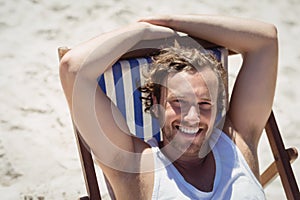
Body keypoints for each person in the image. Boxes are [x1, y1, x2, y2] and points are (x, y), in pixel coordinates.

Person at [59, 15, 278, 199]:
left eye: (204, 103)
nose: (192, 117)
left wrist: (172, 22)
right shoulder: (135, 168)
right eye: (179, 103)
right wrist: (143, 30)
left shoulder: (238, 142)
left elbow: (265, 41)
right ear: (156, 106)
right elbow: (73, 70)